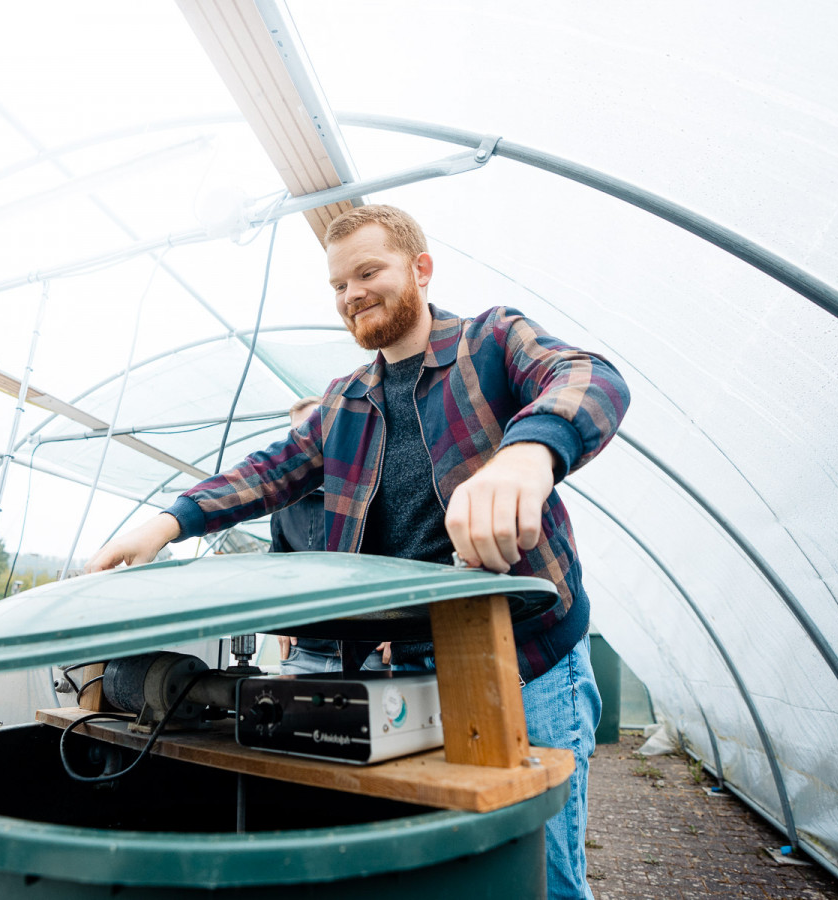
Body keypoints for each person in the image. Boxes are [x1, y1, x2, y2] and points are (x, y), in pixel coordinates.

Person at [88, 204, 630, 899]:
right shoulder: (345, 401)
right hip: (411, 665)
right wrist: (168, 522)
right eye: (339, 285)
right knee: (444, 864)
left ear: (420, 269)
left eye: (368, 272)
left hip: (529, 662)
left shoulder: (491, 341)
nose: (352, 296)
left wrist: (528, 452)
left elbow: (590, 377)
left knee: (541, 873)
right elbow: (269, 471)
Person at [269, 397, 387, 675]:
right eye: (296, 435)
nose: (305, 444)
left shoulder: (372, 488)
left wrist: (403, 629)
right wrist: (277, 619)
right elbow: (276, 568)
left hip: (370, 651)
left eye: (312, 432)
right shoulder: (284, 506)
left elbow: (403, 558)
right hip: (306, 652)